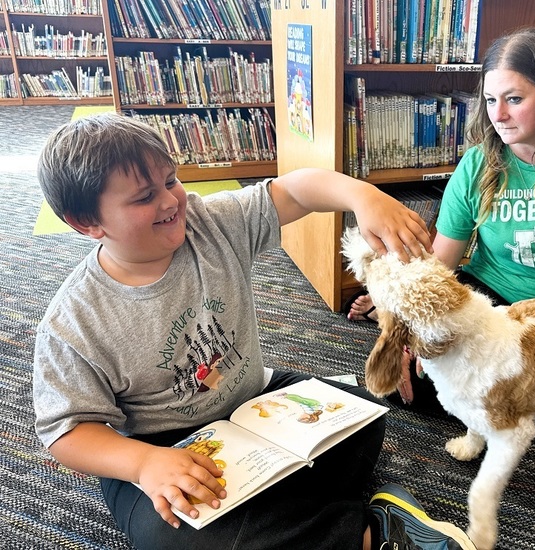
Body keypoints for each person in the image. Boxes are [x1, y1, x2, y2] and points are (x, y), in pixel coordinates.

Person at [33, 112, 477, 550]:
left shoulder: (211, 225)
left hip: (253, 403)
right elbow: (67, 431)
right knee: (174, 536)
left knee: (363, 415)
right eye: (144, 196)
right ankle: (374, 533)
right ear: (85, 222)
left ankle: (289, 513)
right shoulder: (73, 321)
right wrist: (145, 463)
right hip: (163, 447)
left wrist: (363, 197)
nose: (170, 202)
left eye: (170, 181)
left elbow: (297, 191)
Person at [347, 27, 535, 412]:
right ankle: (532, 385)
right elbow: (441, 263)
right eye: (490, 100)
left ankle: (521, 385)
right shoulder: (478, 162)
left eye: (514, 99)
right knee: (408, 383)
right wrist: (413, 329)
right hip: (492, 303)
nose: (499, 115)